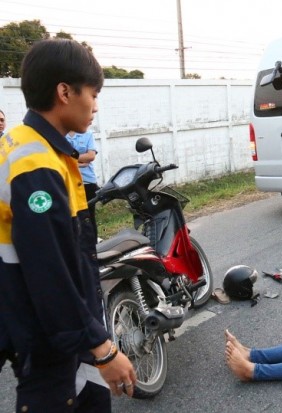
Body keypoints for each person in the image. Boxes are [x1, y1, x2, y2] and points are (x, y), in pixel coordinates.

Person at [0, 39, 136, 412]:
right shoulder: (36, 162)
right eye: (93, 93)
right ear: (64, 92)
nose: (95, 105)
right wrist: (103, 349)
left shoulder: (30, 146)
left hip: (55, 328)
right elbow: (50, 270)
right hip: (46, 332)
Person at [66, 130, 99, 239]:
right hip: (68, 182)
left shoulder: (88, 134)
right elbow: (57, 156)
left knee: (89, 216)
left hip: (88, 182)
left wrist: (69, 158)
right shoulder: (60, 134)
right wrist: (79, 161)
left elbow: (91, 156)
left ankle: (93, 245)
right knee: (72, 216)